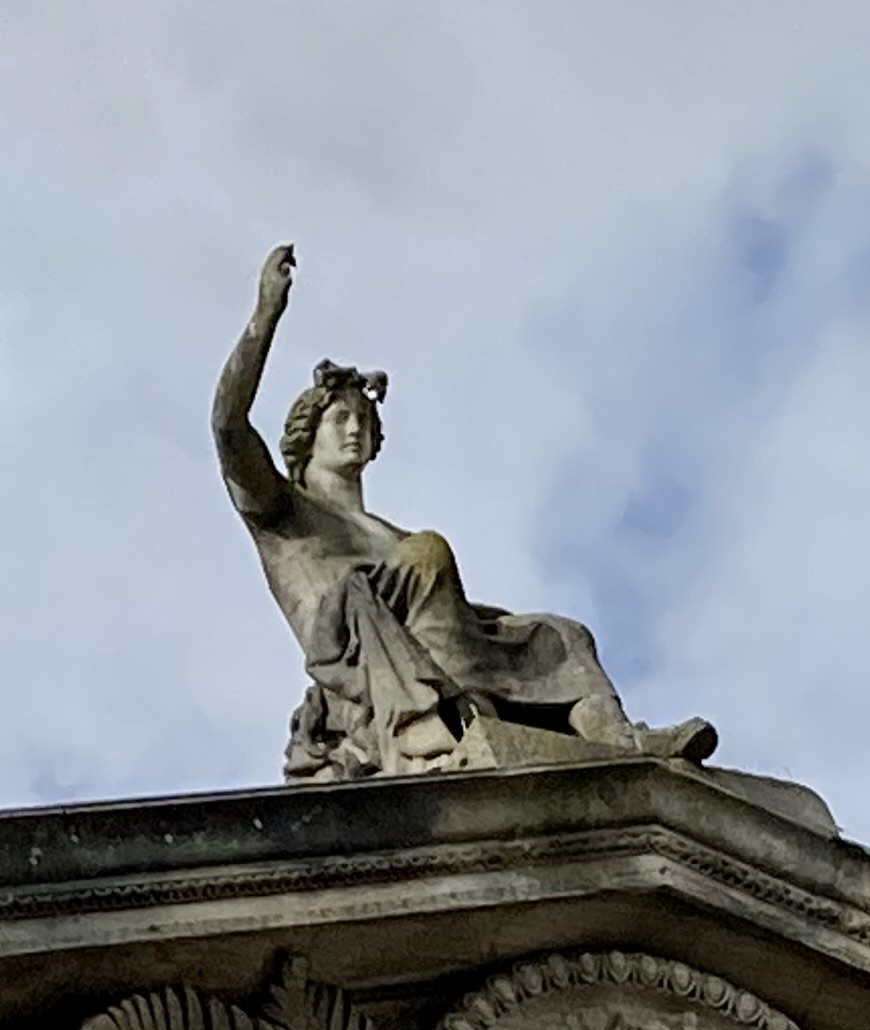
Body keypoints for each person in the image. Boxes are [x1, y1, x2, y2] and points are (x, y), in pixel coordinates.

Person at [216, 245, 717, 783]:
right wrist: (265, 315)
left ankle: (622, 742)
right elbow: (227, 424)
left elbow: (447, 614)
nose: (355, 428)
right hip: (355, 661)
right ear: (306, 435)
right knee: (427, 553)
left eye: (364, 418)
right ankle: (468, 723)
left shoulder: (393, 536)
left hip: (422, 638)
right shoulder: (281, 510)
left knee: (560, 635)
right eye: (340, 418)